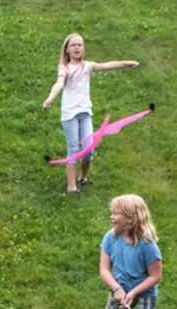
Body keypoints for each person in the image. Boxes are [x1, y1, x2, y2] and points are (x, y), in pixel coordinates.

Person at [41, 33, 140, 194]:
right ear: (66, 50)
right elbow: (58, 84)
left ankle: (83, 177)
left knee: (88, 150)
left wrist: (126, 63)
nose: (77, 48)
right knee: (73, 149)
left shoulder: (87, 66)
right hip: (70, 115)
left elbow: (107, 65)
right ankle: (71, 187)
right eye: (73, 45)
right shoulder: (65, 68)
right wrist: (50, 98)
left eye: (79, 45)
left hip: (85, 113)